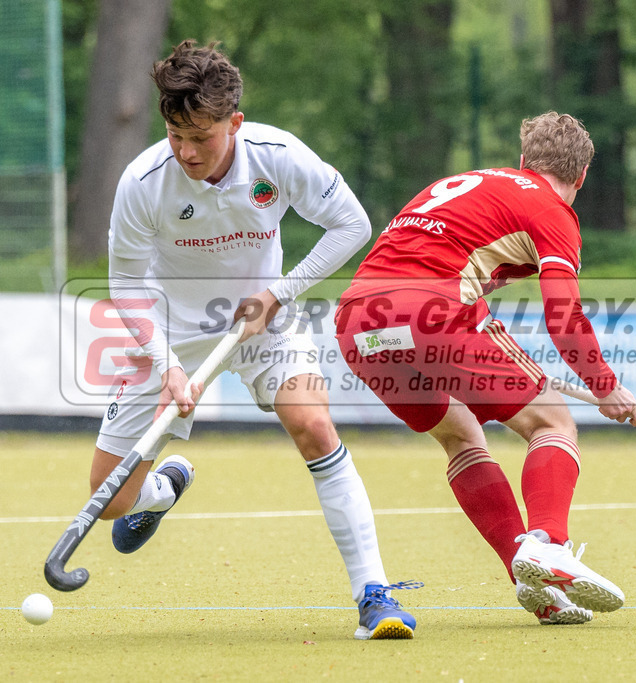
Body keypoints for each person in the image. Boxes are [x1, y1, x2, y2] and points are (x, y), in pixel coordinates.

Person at [89, 39, 417, 640]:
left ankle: (375, 594)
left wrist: (278, 294)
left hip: (265, 317)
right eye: (175, 135)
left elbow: (352, 224)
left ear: (234, 123)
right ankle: (163, 490)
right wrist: (166, 365)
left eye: (202, 137)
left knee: (314, 425)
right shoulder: (143, 182)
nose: (187, 152)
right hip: (169, 330)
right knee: (111, 500)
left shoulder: (278, 157)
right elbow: (126, 284)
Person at [334, 112, 636, 625]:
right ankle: (548, 545)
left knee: (460, 436)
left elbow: (430, 260)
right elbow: (564, 316)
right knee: (552, 422)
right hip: (431, 314)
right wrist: (605, 386)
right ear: (583, 176)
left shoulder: (471, 184)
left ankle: (531, 582)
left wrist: (477, 319)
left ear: (523, 160)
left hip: (358, 326)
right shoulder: (552, 211)